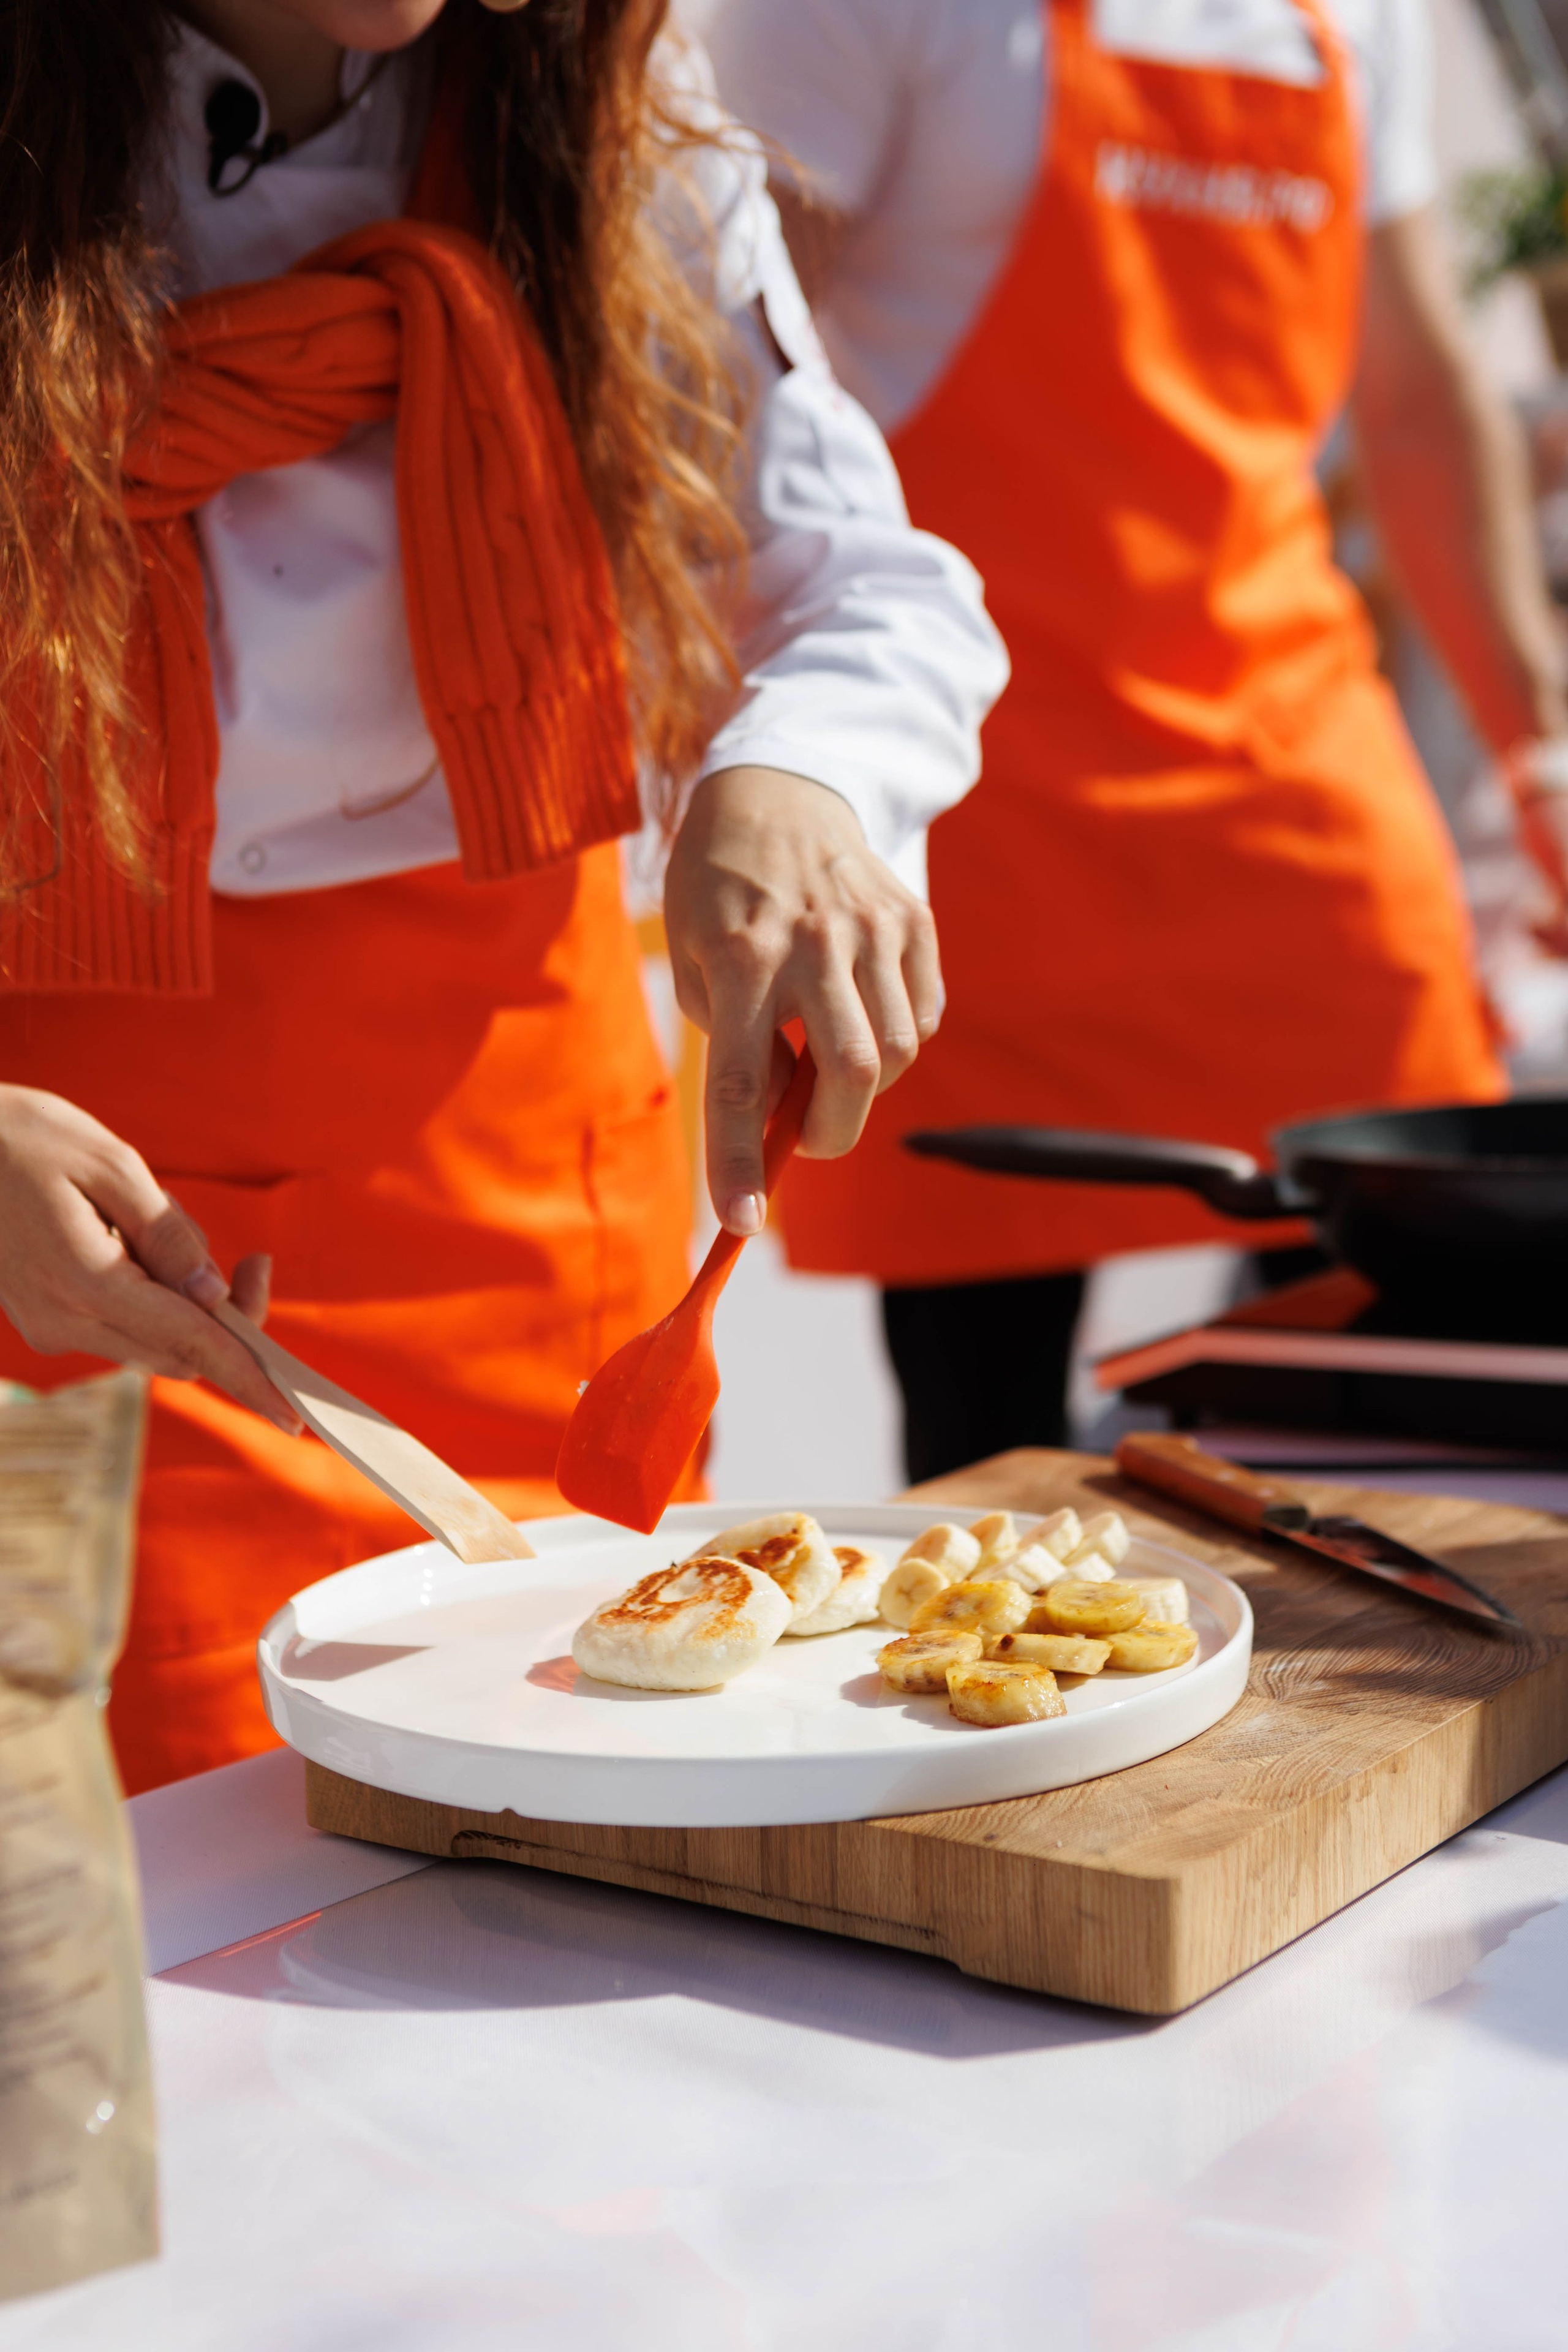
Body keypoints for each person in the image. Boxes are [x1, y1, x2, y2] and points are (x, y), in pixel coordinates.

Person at [0, 0, 1006, 1790]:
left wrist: (800, 773)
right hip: (70, 1261)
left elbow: (857, 576)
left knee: (561, 1833)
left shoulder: (604, 86)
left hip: (538, 1239)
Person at [706, 0, 1568, 1480]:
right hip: (972, 802)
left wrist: (1536, 753)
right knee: (987, 1447)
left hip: (1288, 788)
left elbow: (1420, 402)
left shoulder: (1360, 14)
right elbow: (702, 376)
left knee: (1388, 1380)